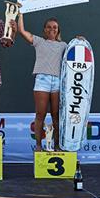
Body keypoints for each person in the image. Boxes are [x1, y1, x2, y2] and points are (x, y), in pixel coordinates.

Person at [17, 14, 67, 151]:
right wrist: (20, 14)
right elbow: (21, 30)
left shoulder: (64, 46)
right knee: (40, 114)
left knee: (57, 115)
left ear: (58, 30)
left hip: (57, 82)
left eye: (55, 27)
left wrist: (80, 41)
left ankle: (57, 146)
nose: (52, 29)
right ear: (44, 30)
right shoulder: (39, 41)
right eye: (49, 27)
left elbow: (76, 53)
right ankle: (39, 146)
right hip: (42, 81)